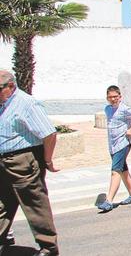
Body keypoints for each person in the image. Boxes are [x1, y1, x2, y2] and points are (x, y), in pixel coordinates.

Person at [0, 69, 60, 256]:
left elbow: (49, 134)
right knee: (3, 203)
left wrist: (47, 159)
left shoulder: (26, 103)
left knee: (34, 203)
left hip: (22, 160)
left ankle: (48, 246)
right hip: (4, 160)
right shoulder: (3, 103)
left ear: (10, 86)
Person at [97, 85, 131, 212]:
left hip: (123, 144)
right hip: (112, 145)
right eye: (110, 97)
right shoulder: (107, 109)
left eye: (115, 97)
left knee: (115, 171)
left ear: (120, 97)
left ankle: (109, 201)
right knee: (123, 169)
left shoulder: (125, 109)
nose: (113, 99)